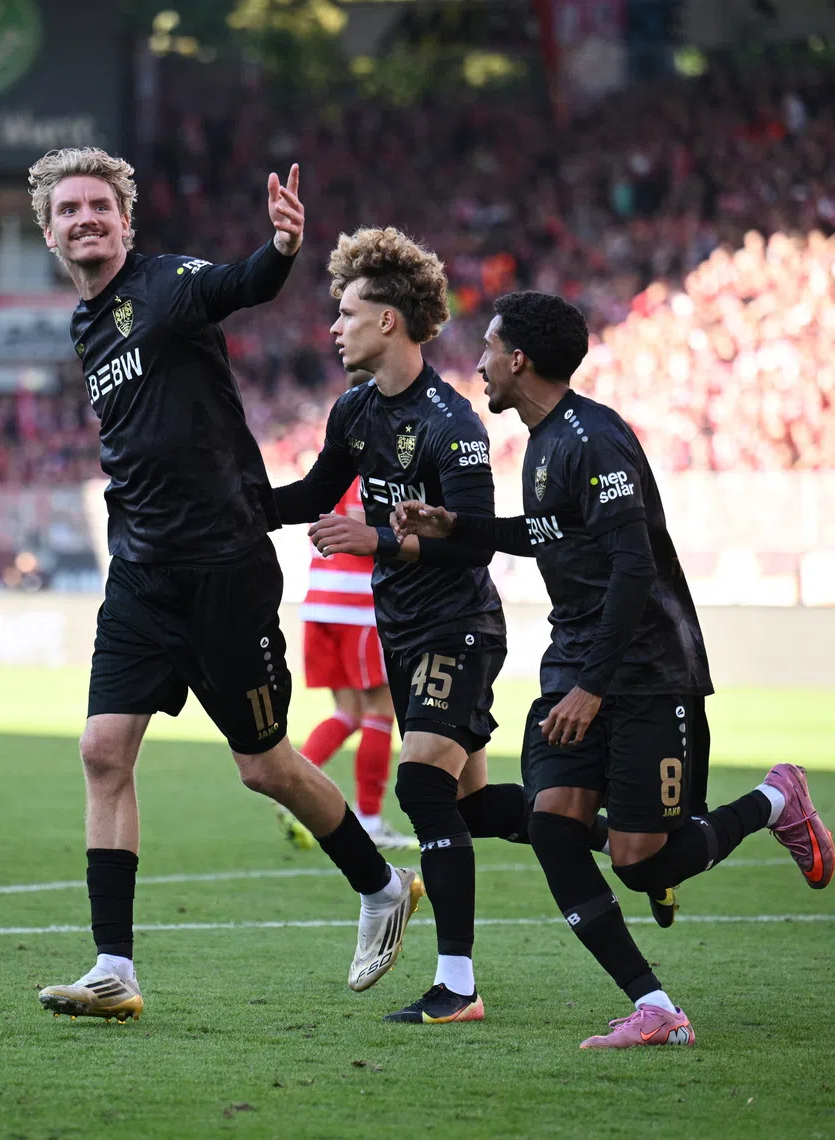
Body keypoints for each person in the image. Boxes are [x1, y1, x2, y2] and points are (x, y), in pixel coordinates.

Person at [26, 148, 420, 1025]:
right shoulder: (85, 326)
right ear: (49, 232)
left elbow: (241, 282)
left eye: (98, 206)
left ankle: (382, 883)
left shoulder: (168, 284)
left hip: (223, 570)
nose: (84, 220)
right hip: (140, 574)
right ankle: (113, 967)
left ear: (126, 220)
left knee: (264, 766)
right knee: (101, 749)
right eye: (68, 211)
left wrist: (280, 249)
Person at [394, 290, 833, 1047]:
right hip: (575, 664)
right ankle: (655, 1005)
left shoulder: (594, 439)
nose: (480, 362)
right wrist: (458, 525)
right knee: (552, 824)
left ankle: (774, 799)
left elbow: (633, 568)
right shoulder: (540, 442)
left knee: (638, 859)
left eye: (491, 347)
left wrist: (594, 688)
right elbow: (548, 530)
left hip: (645, 673)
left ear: (520, 359)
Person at [271, 227, 609, 1024]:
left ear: (388, 322)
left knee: (419, 786)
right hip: (403, 628)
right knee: (473, 809)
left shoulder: (452, 421)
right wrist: (222, 499)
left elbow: (473, 543)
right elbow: (310, 495)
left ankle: (457, 986)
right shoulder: (353, 410)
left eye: (347, 312)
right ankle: (630, 838)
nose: (333, 326)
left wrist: (378, 539)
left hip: (457, 624)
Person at [278, 462, 414, 853]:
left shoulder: (327, 469)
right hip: (359, 604)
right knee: (379, 710)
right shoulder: (372, 472)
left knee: (348, 712)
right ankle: (369, 819)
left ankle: (290, 791)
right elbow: (363, 524)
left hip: (320, 600)